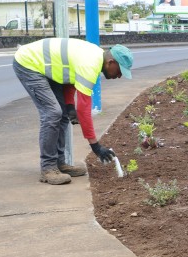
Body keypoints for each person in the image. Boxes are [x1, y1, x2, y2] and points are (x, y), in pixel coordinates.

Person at [13, 38, 133, 185]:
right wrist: (95, 146)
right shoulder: (90, 63)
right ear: (111, 62)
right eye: (120, 71)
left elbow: (69, 78)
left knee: (62, 113)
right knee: (52, 113)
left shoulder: (95, 58)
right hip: (29, 64)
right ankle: (48, 168)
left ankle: (59, 163)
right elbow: (83, 109)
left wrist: (69, 106)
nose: (119, 76)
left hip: (48, 69)